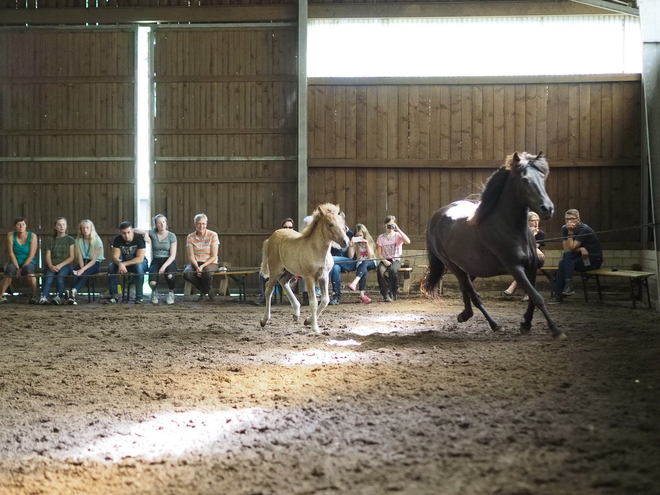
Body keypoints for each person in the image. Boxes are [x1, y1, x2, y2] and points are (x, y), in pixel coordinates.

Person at [551, 209, 603, 304]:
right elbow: (567, 250)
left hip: (593, 259)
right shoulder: (564, 228)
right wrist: (581, 249)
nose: (569, 222)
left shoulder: (584, 229)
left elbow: (571, 248)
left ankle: (559, 293)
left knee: (563, 263)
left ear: (578, 219)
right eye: (567, 219)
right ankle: (567, 287)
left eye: (572, 219)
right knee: (564, 261)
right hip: (577, 258)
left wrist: (570, 232)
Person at [502, 211, 546, 302]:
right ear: (527, 222)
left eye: (537, 220)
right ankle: (528, 294)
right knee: (526, 266)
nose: (536, 223)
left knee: (528, 265)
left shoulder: (540, 233)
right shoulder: (521, 233)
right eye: (533, 220)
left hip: (537, 258)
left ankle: (514, 284)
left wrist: (533, 238)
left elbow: (534, 247)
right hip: (524, 258)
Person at [0, 217, 39, 304]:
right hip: (14, 261)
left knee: (29, 270)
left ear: (26, 226)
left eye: (23, 224)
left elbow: (31, 255)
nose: (21, 226)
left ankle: (35, 296)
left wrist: (22, 269)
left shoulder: (32, 236)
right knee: (9, 270)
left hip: (29, 262)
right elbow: (11, 254)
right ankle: (1, 295)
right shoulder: (10, 235)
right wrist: (17, 268)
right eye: (18, 224)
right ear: (14, 227)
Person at [107, 221, 148, 304]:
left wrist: (123, 264)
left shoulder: (139, 238)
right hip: (125, 262)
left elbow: (140, 258)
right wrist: (120, 264)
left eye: (128, 232)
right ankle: (114, 296)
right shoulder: (117, 239)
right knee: (111, 266)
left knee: (138, 267)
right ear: (120, 233)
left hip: (140, 262)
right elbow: (114, 257)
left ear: (132, 231)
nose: (126, 236)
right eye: (124, 233)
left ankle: (139, 297)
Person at [257, 218, 295, 305]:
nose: (287, 229)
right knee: (261, 274)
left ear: (293, 228)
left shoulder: (296, 240)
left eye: (290, 227)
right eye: (285, 227)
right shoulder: (276, 241)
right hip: (280, 265)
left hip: (292, 266)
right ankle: (263, 296)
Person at [142, 214, 178, 305]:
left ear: (166, 223)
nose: (162, 224)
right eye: (159, 223)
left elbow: (173, 255)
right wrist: (146, 234)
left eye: (163, 222)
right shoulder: (152, 233)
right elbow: (134, 230)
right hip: (156, 260)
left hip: (169, 260)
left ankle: (171, 293)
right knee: (153, 282)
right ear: (155, 225)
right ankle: (154, 292)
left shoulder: (171, 236)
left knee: (170, 276)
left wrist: (163, 267)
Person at [183, 213, 220, 301]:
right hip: (196, 262)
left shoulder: (213, 235)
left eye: (203, 224)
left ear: (206, 224)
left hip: (210, 262)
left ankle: (203, 293)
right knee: (187, 273)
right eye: (199, 223)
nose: (201, 226)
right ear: (195, 224)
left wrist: (202, 267)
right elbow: (191, 256)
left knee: (207, 272)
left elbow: (213, 256)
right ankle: (207, 290)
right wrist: (197, 267)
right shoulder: (190, 237)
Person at [39, 217, 75, 305]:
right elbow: (47, 255)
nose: (61, 227)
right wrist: (50, 266)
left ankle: (58, 297)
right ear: (55, 227)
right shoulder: (51, 239)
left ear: (66, 226)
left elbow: (71, 257)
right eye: (59, 225)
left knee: (60, 277)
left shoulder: (70, 240)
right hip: (52, 264)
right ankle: (43, 297)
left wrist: (60, 265)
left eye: (63, 224)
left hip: (65, 265)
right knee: (48, 278)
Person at [68, 219, 105, 305]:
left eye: (87, 227)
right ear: (80, 229)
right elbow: (79, 257)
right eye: (83, 228)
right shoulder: (78, 241)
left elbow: (93, 260)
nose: (85, 230)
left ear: (91, 228)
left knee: (84, 274)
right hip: (83, 262)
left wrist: (83, 269)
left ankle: (72, 292)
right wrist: (81, 267)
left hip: (94, 264)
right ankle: (72, 297)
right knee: (75, 273)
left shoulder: (97, 241)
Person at [376, 215, 411, 302]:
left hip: (396, 259)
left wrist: (398, 229)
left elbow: (408, 241)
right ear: (385, 225)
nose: (390, 227)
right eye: (388, 225)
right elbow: (379, 253)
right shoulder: (381, 237)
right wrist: (384, 260)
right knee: (380, 271)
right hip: (385, 259)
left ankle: (393, 291)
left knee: (393, 271)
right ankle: (385, 294)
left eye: (392, 224)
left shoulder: (398, 235)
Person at [329, 211, 355, 305]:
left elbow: (352, 256)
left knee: (332, 260)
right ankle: (336, 296)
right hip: (335, 264)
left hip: (349, 261)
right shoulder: (331, 235)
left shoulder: (350, 234)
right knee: (335, 268)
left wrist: (351, 246)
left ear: (343, 221)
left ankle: (319, 288)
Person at [347, 223, 378, 304]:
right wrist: (351, 246)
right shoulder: (356, 244)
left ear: (364, 234)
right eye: (357, 236)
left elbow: (371, 257)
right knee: (363, 271)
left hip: (371, 263)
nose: (359, 238)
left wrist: (367, 245)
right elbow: (350, 256)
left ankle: (354, 283)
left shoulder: (369, 241)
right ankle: (362, 295)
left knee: (364, 263)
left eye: (361, 235)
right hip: (361, 264)